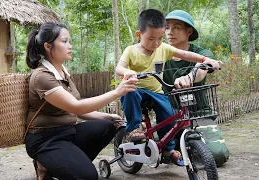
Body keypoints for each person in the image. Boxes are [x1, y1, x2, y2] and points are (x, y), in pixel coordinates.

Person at [25, 22, 138, 180]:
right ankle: (46, 163)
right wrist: (118, 92)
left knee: (107, 126)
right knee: (89, 176)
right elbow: (76, 107)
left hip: (67, 132)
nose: (70, 46)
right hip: (45, 139)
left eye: (69, 41)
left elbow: (75, 110)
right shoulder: (42, 77)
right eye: (64, 41)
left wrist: (107, 116)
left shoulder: (63, 72)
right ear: (48, 46)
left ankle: (61, 165)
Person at [115, 9, 221, 166]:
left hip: (157, 93)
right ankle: (133, 129)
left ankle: (168, 150)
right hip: (137, 89)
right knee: (130, 92)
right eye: (152, 39)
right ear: (139, 35)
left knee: (168, 113)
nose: (156, 43)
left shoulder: (163, 48)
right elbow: (119, 68)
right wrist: (127, 72)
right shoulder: (131, 51)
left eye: (160, 38)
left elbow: (186, 55)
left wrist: (205, 59)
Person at [164, 10, 229, 166]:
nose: (170, 32)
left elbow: (203, 67)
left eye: (176, 27)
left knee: (218, 155)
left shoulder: (200, 53)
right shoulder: (159, 56)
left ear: (189, 31)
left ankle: (189, 144)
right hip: (171, 116)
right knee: (154, 149)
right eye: (167, 27)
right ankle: (183, 143)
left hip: (199, 114)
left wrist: (189, 77)